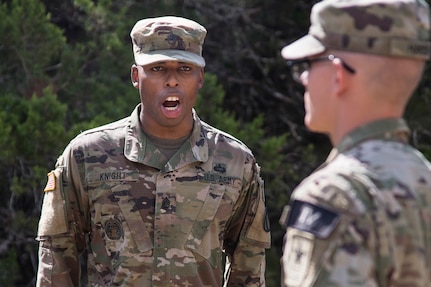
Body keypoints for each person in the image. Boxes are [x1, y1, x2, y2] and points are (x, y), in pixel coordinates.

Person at [36, 16, 270, 286]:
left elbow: (249, 265)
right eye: (158, 68)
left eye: (185, 69)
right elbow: (57, 258)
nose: (172, 80)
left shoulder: (235, 161)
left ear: (200, 77)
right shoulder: (87, 156)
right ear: (137, 76)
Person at [279, 0, 431, 286]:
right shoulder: (422, 177)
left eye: (308, 64)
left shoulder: (334, 196)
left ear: (338, 76)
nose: (304, 78)